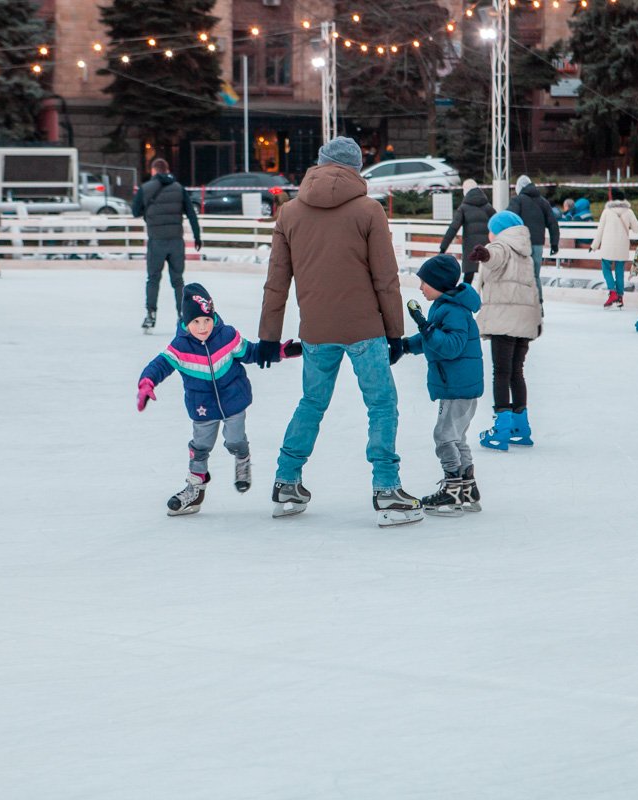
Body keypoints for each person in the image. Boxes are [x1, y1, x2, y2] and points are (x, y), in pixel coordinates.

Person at [259, 135, 423, 527]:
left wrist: (268, 337)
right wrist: (395, 333)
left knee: (311, 403)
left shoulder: (290, 213)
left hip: (316, 329)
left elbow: (276, 283)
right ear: (356, 168)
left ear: (319, 163)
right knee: (381, 405)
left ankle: (286, 480)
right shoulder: (369, 210)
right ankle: (386, 489)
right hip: (365, 328)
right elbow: (386, 279)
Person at [136, 282, 300, 516]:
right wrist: (146, 383)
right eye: (196, 322)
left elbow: (251, 352)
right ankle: (195, 486)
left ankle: (242, 460)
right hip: (202, 407)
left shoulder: (227, 336)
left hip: (234, 400)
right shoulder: (180, 347)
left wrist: (279, 352)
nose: (203, 327)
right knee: (200, 447)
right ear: (186, 322)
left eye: (207, 320)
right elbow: (159, 365)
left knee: (235, 440)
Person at [399, 254, 484, 516]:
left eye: (424, 283)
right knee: (456, 437)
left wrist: (424, 326)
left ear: (439, 284)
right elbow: (434, 337)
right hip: (461, 384)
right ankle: (467, 488)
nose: (421, 288)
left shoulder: (453, 310)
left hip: (456, 386)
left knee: (444, 436)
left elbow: (450, 347)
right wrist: (405, 346)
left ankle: (452, 489)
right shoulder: (447, 306)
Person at [470, 211, 542, 451]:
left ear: (499, 230)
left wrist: (485, 254)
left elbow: (495, 257)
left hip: (504, 320)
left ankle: (501, 429)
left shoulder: (501, 245)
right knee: (516, 372)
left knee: (500, 372)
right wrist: (538, 319)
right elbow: (533, 288)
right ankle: (521, 427)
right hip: (524, 320)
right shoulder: (525, 252)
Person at [132, 157, 202, 333]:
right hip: (176, 242)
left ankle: (150, 315)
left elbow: (134, 211)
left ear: (154, 170)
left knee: (153, 278)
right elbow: (191, 214)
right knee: (178, 281)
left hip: (156, 241)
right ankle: (182, 316)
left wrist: (147, 210)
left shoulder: (146, 189)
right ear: (167, 169)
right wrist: (197, 236)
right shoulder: (179, 189)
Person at [507, 175, 560, 304]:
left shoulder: (517, 201)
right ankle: (538, 305)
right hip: (537, 244)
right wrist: (554, 244)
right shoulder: (543, 202)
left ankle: (523, 305)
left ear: (519, 187)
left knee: (519, 275)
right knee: (535, 275)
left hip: (521, 245)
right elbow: (553, 223)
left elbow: (509, 220)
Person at [439, 179, 496, 285]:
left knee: (468, 279)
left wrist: (443, 248)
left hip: (471, 248)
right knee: (485, 277)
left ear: (465, 191)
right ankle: (487, 300)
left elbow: (453, 228)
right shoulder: (488, 207)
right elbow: (498, 224)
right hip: (486, 247)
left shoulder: (464, 208)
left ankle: (466, 299)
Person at [590, 195, 638, 308]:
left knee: (606, 268)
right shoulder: (629, 212)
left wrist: (594, 246)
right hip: (622, 246)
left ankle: (612, 292)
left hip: (608, 246)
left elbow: (600, 230)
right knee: (619, 271)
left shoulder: (607, 212)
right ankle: (619, 298)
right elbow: (637, 229)